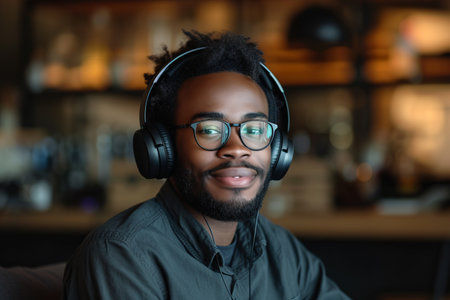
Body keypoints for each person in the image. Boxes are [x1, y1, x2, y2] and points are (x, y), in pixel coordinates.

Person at [63, 30, 350, 300]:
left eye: (254, 129)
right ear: (163, 147)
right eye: (210, 130)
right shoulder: (122, 255)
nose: (237, 149)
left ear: (277, 150)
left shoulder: (283, 251)